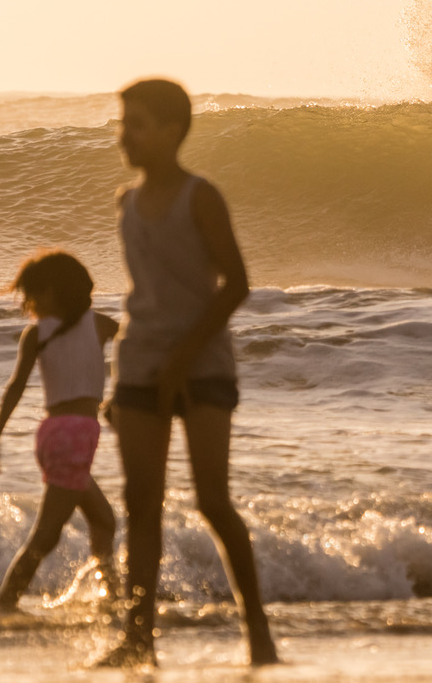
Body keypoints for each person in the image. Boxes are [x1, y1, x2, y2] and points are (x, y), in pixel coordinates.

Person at [96, 78, 277, 667]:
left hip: (201, 363)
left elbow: (237, 282)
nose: (125, 133)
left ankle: (258, 633)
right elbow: (138, 292)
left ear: (173, 132)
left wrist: (181, 360)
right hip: (140, 361)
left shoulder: (200, 196)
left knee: (212, 501)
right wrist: (118, 383)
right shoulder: (125, 201)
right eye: (122, 121)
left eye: (138, 123)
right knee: (140, 504)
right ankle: (138, 638)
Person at [0, 251, 119, 613]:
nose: (28, 303)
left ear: (55, 292)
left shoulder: (81, 326)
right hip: (71, 438)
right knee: (46, 534)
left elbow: (14, 388)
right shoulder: (94, 325)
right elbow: (15, 386)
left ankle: (112, 599)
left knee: (104, 519)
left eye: (33, 294)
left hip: (65, 437)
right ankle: (5, 604)